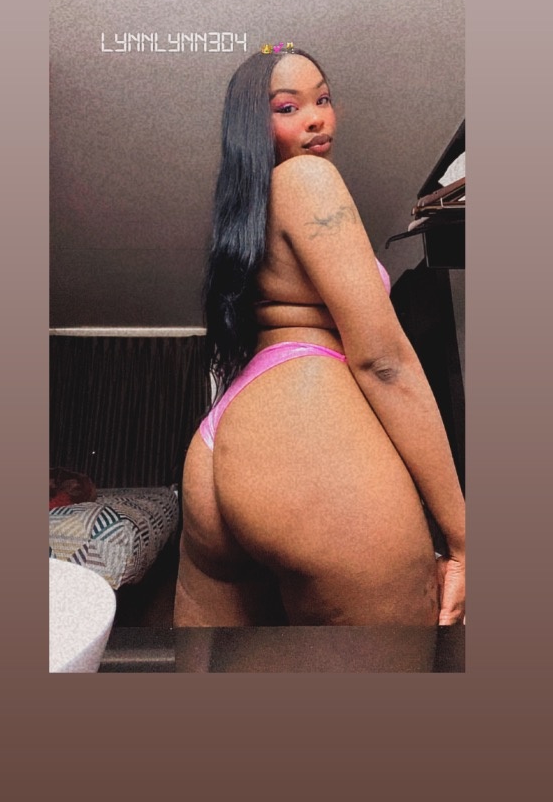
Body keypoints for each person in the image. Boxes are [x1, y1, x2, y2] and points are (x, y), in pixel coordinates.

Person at [174, 45, 465, 628]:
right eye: (288, 107)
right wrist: (463, 537)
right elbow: (383, 361)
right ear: (252, 125)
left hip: (222, 449)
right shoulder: (307, 179)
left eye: (323, 99)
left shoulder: (248, 212)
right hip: (308, 431)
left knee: (218, 676)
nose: (315, 118)